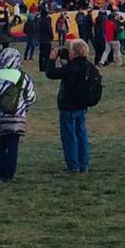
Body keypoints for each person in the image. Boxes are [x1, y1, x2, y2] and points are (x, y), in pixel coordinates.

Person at [0, 47, 37, 183]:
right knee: (13, 146)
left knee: (1, 145)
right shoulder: (23, 77)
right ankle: (10, 173)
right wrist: (23, 109)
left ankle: (0, 173)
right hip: (17, 118)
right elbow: (30, 97)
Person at [45, 39, 96, 173]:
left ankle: (73, 165)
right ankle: (83, 164)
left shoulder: (71, 68)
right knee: (81, 135)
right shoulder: (89, 66)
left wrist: (51, 60)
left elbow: (51, 74)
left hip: (68, 106)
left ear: (74, 52)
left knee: (69, 137)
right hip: (82, 105)